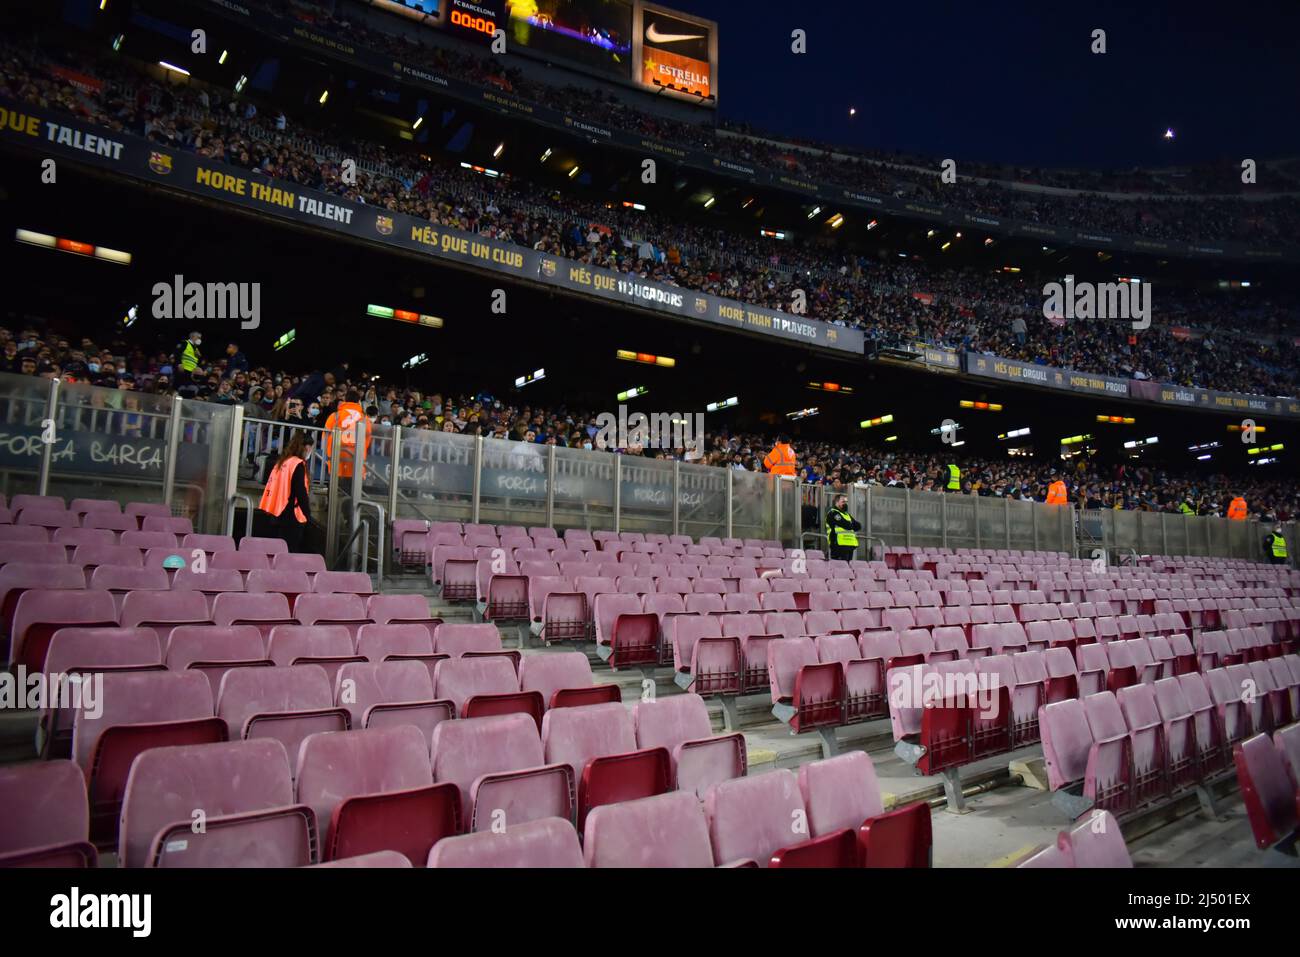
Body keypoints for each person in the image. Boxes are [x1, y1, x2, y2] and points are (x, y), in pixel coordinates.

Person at [255, 430, 313, 552]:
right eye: (310, 447)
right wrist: (308, 516)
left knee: (276, 552)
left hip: (276, 512)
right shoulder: (297, 464)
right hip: (291, 515)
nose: (310, 451)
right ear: (305, 447)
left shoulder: (283, 462)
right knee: (290, 552)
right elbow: (300, 492)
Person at [324, 388, 372, 481]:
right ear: (359, 401)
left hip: (336, 455)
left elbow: (325, 435)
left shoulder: (335, 415)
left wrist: (327, 451)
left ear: (345, 400)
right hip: (356, 456)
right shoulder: (364, 418)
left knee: (334, 487)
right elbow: (368, 437)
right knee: (353, 490)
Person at [825, 493, 860, 560]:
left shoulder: (847, 515)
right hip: (838, 545)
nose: (845, 504)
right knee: (840, 567)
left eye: (846, 502)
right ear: (837, 502)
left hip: (850, 545)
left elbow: (858, 526)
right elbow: (845, 524)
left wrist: (850, 525)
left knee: (848, 567)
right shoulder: (833, 513)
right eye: (843, 502)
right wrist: (851, 525)